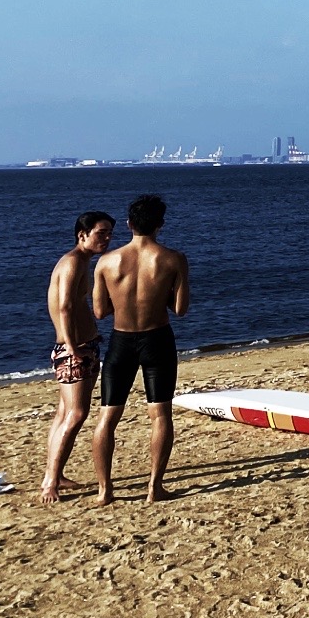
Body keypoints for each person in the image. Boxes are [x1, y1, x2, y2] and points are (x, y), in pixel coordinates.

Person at [91, 194, 191, 504]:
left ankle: (105, 490)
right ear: (161, 224)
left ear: (129, 224)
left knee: (108, 416)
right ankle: (154, 487)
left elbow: (99, 312)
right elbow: (180, 309)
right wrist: (157, 294)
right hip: (157, 339)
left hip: (121, 340)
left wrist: (123, 299)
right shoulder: (174, 259)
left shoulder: (106, 261)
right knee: (160, 414)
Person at [41, 211, 115, 505]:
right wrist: (72, 346)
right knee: (76, 414)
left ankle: (55, 474)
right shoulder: (73, 262)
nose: (107, 239)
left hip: (82, 346)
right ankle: (50, 480)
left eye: (109, 233)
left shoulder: (81, 261)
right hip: (75, 349)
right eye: (101, 233)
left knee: (64, 413)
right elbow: (64, 307)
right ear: (82, 235)